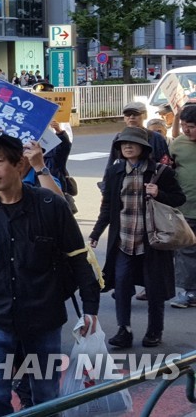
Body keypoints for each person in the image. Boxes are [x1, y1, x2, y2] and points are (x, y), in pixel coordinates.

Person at [0, 134, 100, 417]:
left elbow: (78, 256)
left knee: (45, 394)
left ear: (19, 165)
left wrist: (91, 307)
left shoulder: (51, 206)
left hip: (44, 315)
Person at [90, 127, 186, 349]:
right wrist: (95, 234)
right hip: (124, 242)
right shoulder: (115, 173)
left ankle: (154, 330)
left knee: (155, 289)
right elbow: (107, 207)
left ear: (144, 148)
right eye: (123, 143)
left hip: (153, 242)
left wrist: (158, 193)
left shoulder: (161, 172)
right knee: (121, 286)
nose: (127, 146)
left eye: (132, 143)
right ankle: (124, 330)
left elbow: (179, 198)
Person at [168, 104, 196, 309]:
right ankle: (189, 292)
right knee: (186, 251)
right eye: (185, 125)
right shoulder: (178, 144)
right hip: (187, 207)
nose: (187, 130)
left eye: (192, 126)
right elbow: (168, 166)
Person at [105, 102, 171, 171]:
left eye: (136, 114)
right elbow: (111, 164)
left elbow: (166, 165)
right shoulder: (119, 138)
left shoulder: (156, 138)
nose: (131, 117)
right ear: (124, 118)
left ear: (145, 115)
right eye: (128, 114)